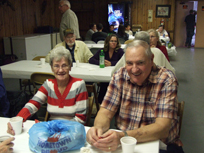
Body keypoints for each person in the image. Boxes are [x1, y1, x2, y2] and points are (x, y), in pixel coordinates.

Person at [86, 40, 183, 153]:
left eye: (140, 63)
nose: (134, 69)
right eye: (129, 63)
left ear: (151, 60)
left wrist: (123, 136)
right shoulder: (119, 76)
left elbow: (162, 128)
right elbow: (105, 112)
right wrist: (97, 129)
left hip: (162, 146)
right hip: (124, 144)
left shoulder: (166, 80)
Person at [8, 46, 88, 135]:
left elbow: (80, 120)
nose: (60, 70)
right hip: (52, 132)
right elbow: (33, 104)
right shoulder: (49, 84)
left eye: (64, 65)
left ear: (70, 66)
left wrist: (50, 127)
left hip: (72, 133)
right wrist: (18, 119)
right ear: (51, 68)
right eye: (56, 66)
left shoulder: (79, 85)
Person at [111, 31, 175, 76]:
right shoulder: (158, 51)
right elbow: (172, 72)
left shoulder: (129, 53)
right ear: (149, 42)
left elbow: (113, 73)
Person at [89, 34, 124, 104]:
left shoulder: (120, 51)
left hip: (115, 75)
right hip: (103, 73)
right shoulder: (102, 50)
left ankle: (113, 102)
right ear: (108, 42)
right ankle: (101, 102)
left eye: (115, 41)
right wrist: (100, 62)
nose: (113, 43)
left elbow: (123, 61)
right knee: (104, 84)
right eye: (111, 41)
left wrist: (111, 63)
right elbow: (91, 60)